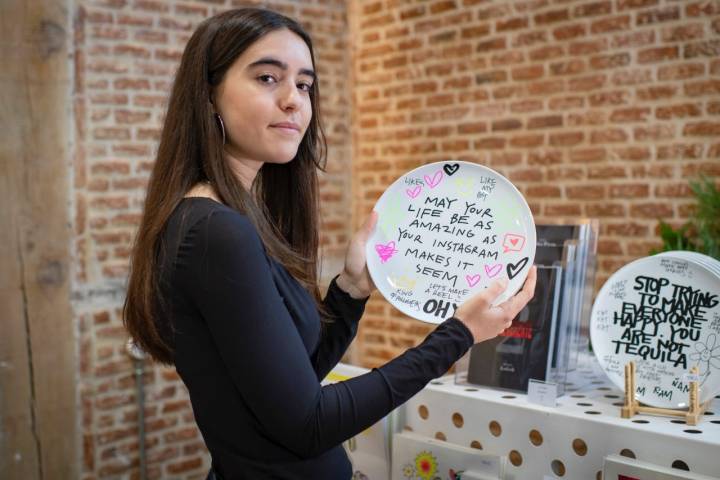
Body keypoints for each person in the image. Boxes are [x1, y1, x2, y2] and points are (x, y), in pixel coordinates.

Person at [122, 7, 537, 480]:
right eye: (266, 78)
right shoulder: (218, 232)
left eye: (303, 84)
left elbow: (295, 380)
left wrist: (350, 290)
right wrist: (457, 336)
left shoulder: (224, 219)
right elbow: (308, 424)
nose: (294, 101)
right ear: (209, 95)